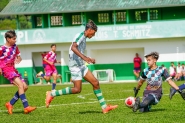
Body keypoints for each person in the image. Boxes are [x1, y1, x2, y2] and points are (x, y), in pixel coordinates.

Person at [45, 20, 118, 114]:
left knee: (95, 82)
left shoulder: (84, 38)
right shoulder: (80, 36)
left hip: (80, 65)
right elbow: (73, 47)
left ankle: (104, 107)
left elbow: (79, 52)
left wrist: (89, 59)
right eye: (94, 32)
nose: (94, 35)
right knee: (77, 89)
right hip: (75, 66)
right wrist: (85, 58)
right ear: (90, 30)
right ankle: (52, 93)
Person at [0, 30, 36, 114]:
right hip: (6, 69)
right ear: (8, 39)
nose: (15, 40)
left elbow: (19, 56)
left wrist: (19, 58)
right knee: (20, 85)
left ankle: (10, 103)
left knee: (25, 87)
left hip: (13, 69)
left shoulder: (15, 47)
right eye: (13, 39)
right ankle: (26, 107)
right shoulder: (2, 48)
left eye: (15, 38)